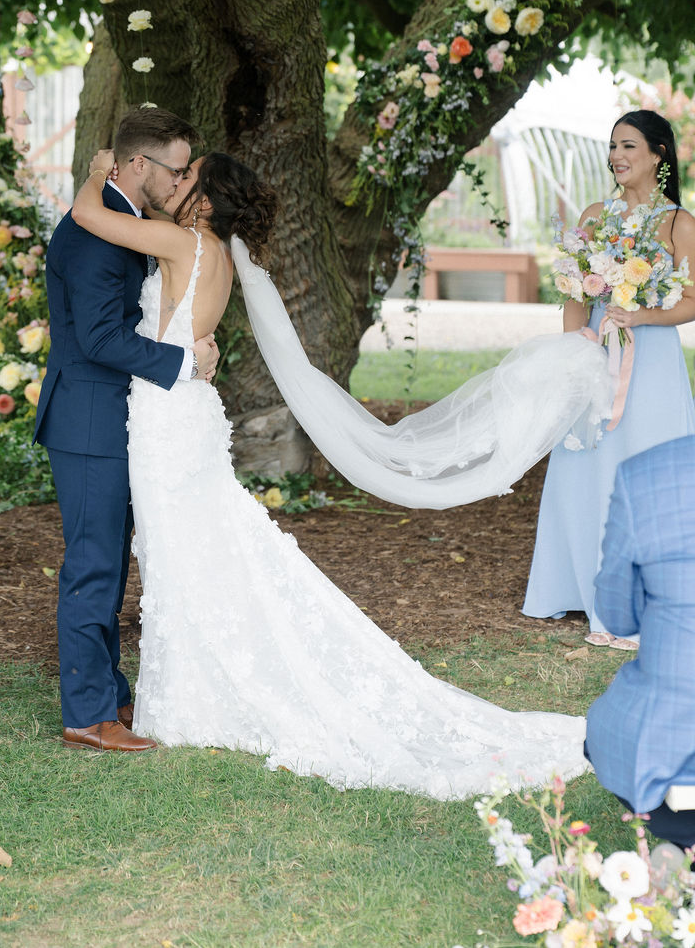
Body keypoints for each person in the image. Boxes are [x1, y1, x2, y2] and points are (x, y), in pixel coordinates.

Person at [71, 149, 588, 798]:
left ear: (204, 198)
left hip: (164, 423)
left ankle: (188, 696)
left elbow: (89, 215)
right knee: (201, 549)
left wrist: (98, 172)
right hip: (186, 412)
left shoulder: (179, 241)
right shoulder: (223, 255)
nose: (174, 183)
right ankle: (188, 689)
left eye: (186, 177)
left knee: (181, 553)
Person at [33, 107, 218, 754]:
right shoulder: (96, 238)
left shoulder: (126, 223)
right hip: (88, 420)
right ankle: (88, 712)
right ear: (137, 164)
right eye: (173, 167)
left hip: (114, 419)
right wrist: (183, 362)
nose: (179, 180)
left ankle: (109, 689)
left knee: (109, 560)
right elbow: (101, 337)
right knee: (91, 565)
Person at [523, 110, 695, 648]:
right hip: (598, 357)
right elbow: (576, 293)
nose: (617, 155)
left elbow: (691, 301)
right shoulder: (596, 215)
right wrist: (578, 351)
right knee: (589, 468)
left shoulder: (679, 224)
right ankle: (582, 589)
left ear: (658, 153)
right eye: (613, 146)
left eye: (629, 145)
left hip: (654, 364)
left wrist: (641, 315)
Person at [586, 434, 695, 850]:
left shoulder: (646, 475)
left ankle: (682, 844)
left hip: (675, 734)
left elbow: (618, 616)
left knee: (620, 727)